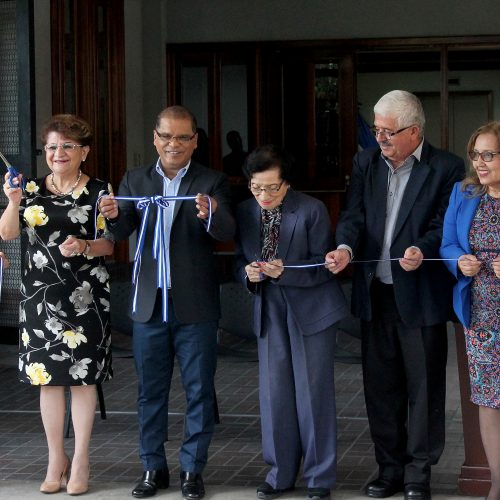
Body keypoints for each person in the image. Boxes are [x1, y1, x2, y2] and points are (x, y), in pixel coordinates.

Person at [325, 90, 465, 500]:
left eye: (388, 131)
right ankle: (389, 470)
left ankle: (418, 475)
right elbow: (353, 214)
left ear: (414, 131)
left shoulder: (446, 168)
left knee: (423, 389)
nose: (380, 138)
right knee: (381, 390)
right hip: (376, 294)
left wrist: (422, 247)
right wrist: (345, 248)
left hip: (419, 295)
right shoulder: (366, 163)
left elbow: (445, 224)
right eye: (376, 130)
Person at [99, 105, 235, 499]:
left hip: (195, 304)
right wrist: (112, 215)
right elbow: (121, 230)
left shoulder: (211, 180)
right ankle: (152, 467)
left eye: (182, 137)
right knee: (150, 391)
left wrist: (211, 213)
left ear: (195, 141)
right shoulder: (135, 178)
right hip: (149, 303)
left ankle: (193, 470)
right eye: (166, 136)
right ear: (155, 138)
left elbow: (227, 230)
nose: (174, 144)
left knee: (199, 390)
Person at [0, 114, 114, 495]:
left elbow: (109, 244)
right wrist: (13, 201)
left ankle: (80, 459)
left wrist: (84, 245)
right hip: (39, 298)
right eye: (51, 147)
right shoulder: (30, 188)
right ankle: (55, 458)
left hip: (86, 298)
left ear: (84, 152)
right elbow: (7, 232)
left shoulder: (99, 190)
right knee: (46, 381)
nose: (58, 153)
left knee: (82, 380)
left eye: (67, 146)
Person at [235, 145, 348, 500]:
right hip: (269, 305)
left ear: (287, 183)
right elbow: (240, 259)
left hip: (311, 306)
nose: (264, 196)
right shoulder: (245, 210)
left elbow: (323, 265)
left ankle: (319, 478)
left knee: (313, 393)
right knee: (275, 393)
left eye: (272, 187)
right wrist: (248, 273)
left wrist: (286, 271)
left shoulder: (311, 209)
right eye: (256, 187)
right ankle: (280, 473)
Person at [440, 121, 500, 500]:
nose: (479, 162)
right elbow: (447, 243)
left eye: (488, 154)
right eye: (475, 154)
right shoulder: (463, 193)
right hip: (480, 315)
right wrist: (459, 261)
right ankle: (497, 483)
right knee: (489, 401)